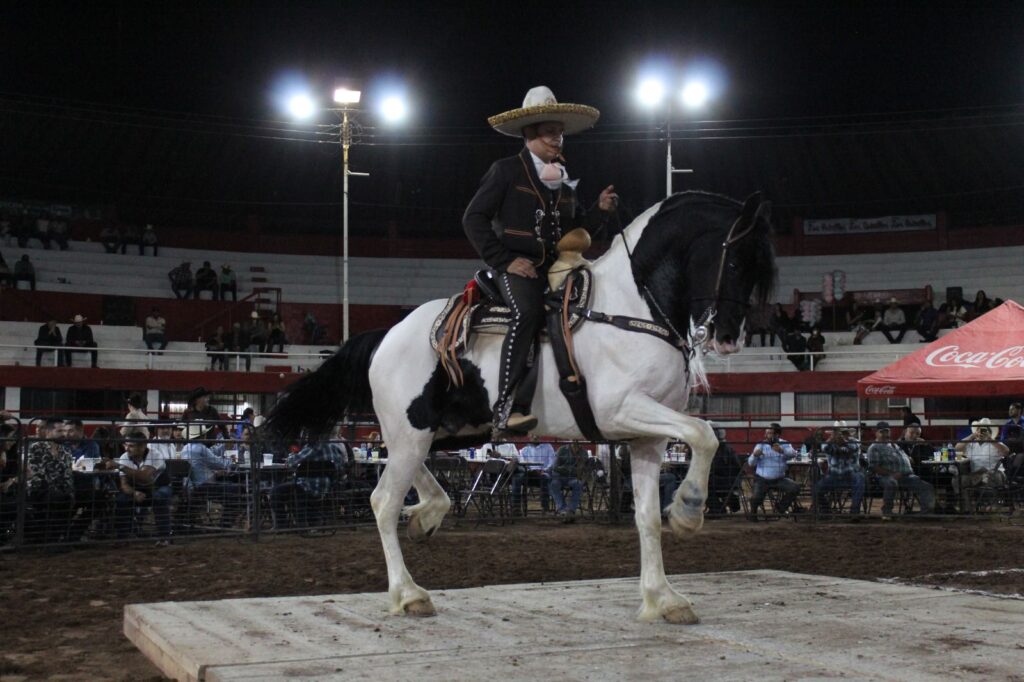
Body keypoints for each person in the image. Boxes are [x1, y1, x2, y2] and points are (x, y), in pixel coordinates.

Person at [462, 86, 617, 433]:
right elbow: (473, 219)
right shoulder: (504, 171)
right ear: (529, 133)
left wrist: (599, 213)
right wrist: (503, 260)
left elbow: (573, 231)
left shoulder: (563, 178)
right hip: (518, 268)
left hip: (557, 268)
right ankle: (505, 406)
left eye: (560, 132)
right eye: (551, 132)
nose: (558, 138)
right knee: (528, 312)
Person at [270, 441, 346, 528]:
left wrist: (291, 456)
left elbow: (291, 463)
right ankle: (311, 519)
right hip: (327, 488)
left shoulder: (312, 448)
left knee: (276, 492)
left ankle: (281, 524)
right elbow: (340, 468)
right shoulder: (334, 448)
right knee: (292, 491)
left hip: (306, 487)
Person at [866, 421, 935, 519]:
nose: (886, 434)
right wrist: (892, 474)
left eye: (887, 431)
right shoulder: (874, 447)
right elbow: (874, 467)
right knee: (891, 483)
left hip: (905, 475)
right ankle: (887, 512)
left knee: (926, 486)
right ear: (876, 433)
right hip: (885, 476)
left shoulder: (893, 444)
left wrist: (908, 459)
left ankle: (926, 512)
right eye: (883, 432)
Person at [114, 430, 172, 543]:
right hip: (137, 489)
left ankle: (165, 536)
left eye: (131, 446)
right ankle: (123, 537)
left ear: (142, 447)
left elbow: (144, 476)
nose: (126, 448)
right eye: (125, 445)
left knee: (160, 496)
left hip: (158, 486)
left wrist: (120, 467)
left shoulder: (155, 454)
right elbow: (124, 484)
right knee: (121, 499)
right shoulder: (124, 457)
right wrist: (134, 493)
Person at [180, 423, 242, 528]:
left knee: (229, 487)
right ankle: (225, 524)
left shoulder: (186, 448)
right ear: (203, 435)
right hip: (203, 486)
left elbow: (207, 459)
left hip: (191, 485)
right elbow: (219, 463)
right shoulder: (201, 448)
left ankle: (224, 522)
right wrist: (232, 461)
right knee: (235, 489)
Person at [24, 419, 75, 543]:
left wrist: (70, 491)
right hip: (39, 489)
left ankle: (67, 537)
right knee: (62, 499)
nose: (63, 434)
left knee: (75, 497)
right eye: (59, 431)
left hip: (59, 490)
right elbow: (35, 475)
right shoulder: (36, 448)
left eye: (64, 430)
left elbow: (68, 475)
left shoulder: (65, 451)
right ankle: (51, 540)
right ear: (48, 431)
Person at [746, 424, 801, 518]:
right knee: (756, 498)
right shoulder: (760, 445)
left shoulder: (784, 443)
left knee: (795, 488)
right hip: (762, 479)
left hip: (779, 478)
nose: (767, 435)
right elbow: (751, 463)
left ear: (777, 435)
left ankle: (780, 507)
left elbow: (793, 454)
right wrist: (754, 455)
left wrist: (782, 450)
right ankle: (753, 514)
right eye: (767, 433)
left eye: (770, 433)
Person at [954, 418, 1009, 510]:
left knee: (988, 477)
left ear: (989, 432)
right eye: (979, 429)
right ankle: (968, 508)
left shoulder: (996, 443)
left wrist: (990, 439)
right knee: (957, 480)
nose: (981, 432)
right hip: (975, 475)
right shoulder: (972, 444)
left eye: (984, 430)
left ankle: (989, 504)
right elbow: (957, 449)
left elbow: (1006, 451)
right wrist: (971, 436)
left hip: (994, 474)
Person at [814, 423, 865, 515]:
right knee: (816, 488)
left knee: (859, 479)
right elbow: (824, 448)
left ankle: (854, 512)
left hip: (851, 474)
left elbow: (852, 448)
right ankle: (826, 510)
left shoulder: (854, 441)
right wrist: (831, 441)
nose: (840, 435)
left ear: (847, 434)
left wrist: (844, 442)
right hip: (833, 475)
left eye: (842, 433)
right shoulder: (829, 444)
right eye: (837, 433)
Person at [513, 435, 555, 513]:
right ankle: (516, 507)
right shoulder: (524, 450)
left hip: (543, 473)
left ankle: (545, 507)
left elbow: (552, 462)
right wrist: (529, 471)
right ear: (529, 436)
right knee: (516, 479)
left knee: (545, 478)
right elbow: (522, 464)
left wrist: (544, 470)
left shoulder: (548, 446)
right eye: (532, 435)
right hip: (529, 474)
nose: (535, 437)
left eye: (537, 434)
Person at [707, 429, 743, 514]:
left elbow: (717, 467)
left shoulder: (721, 448)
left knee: (701, 485)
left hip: (726, 480)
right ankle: (726, 504)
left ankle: (717, 509)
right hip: (729, 479)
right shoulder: (725, 446)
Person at [549, 441, 586, 522]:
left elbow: (581, 469)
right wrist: (571, 470)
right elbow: (555, 467)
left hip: (573, 478)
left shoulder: (583, 452)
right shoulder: (562, 449)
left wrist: (565, 469)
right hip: (559, 477)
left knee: (578, 484)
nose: (576, 441)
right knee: (553, 484)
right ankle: (562, 510)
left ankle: (571, 511)